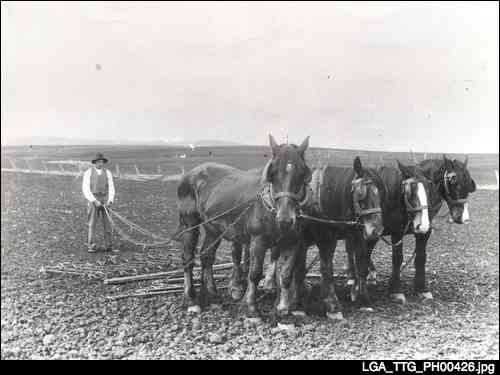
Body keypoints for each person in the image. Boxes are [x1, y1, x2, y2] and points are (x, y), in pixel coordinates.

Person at [82, 153, 116, 253]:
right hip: (93, 199)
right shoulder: (88, 173)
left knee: (108, 223)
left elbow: (112, 187)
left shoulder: (108, 173)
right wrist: (94, 201)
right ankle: (91, 246)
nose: (100, 163)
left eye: (101, 161)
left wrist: (110, 200)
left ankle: (108, 246)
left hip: (105, 199)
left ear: (103, 162)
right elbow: (85, 189)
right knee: (92, 224)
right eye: (97, 162)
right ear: (94, 162)